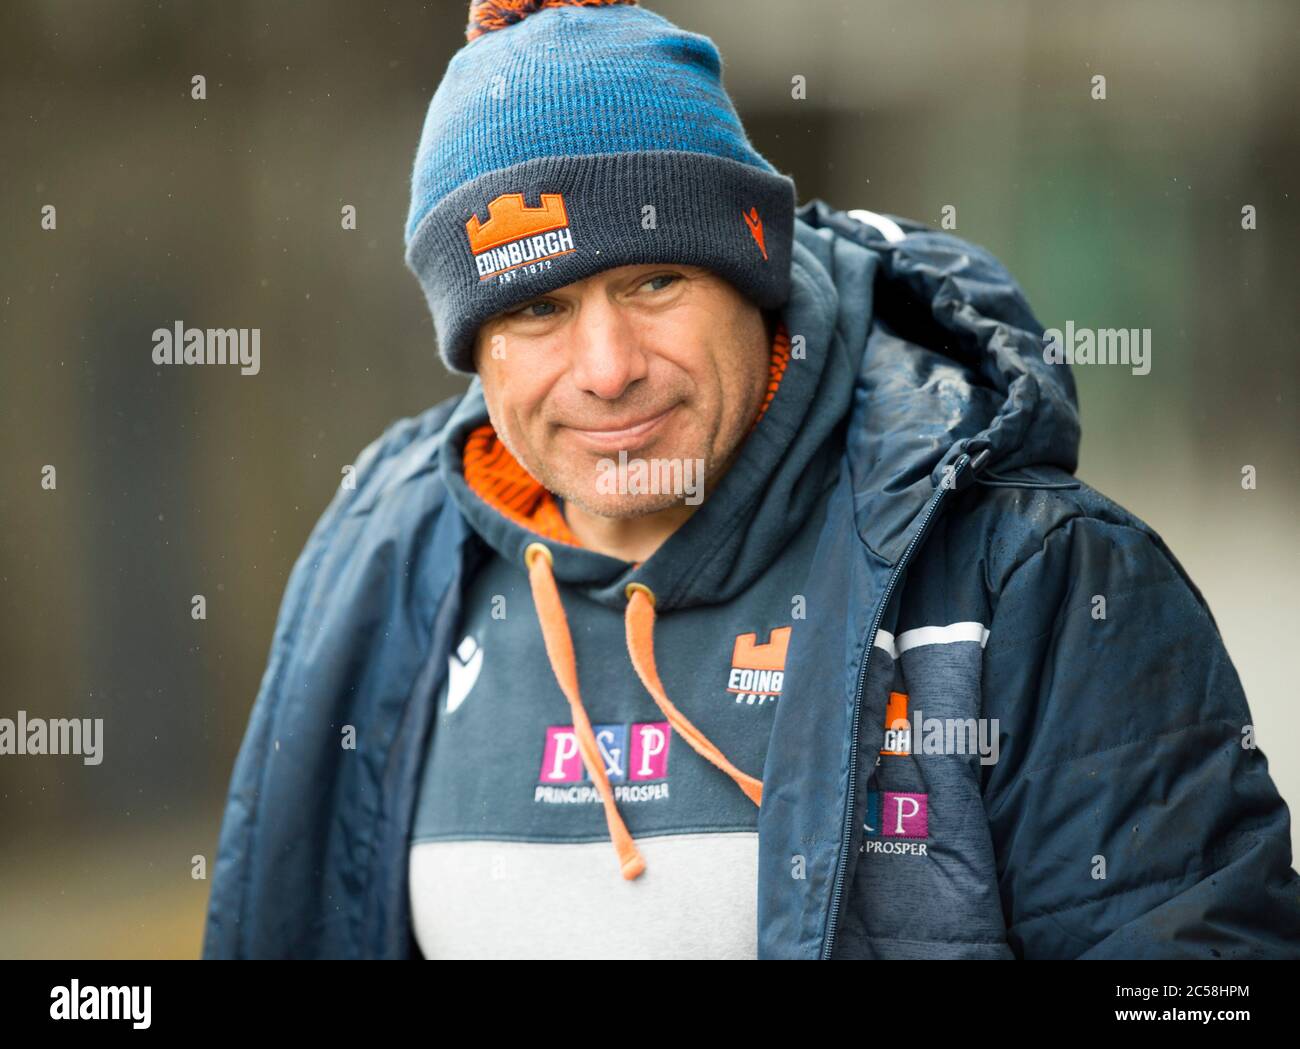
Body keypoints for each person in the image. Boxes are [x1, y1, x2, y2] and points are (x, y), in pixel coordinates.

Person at [202, 0, 1300, 959]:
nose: (606, 368)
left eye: (655, 279)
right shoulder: (379, 574)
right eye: (536, 308)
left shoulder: (1037, 582)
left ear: (756, 280)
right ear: (472, 348)